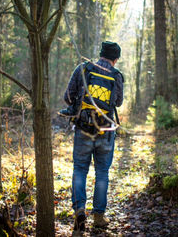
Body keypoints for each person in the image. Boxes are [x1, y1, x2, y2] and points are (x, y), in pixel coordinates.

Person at [62, 41, 124, 236]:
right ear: (115, 59)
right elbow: (119, 102)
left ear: (100, 54)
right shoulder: (116, 75)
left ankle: (79, 211)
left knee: (80, 169)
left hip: (83, 128)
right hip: (106, 131)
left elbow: (68, 96)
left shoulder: (84, 68)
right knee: (102, 172)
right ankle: (98, 217)